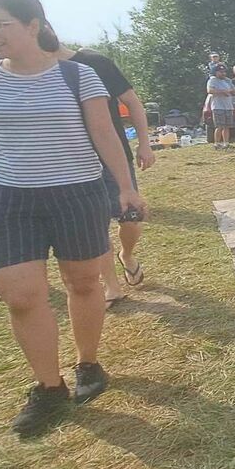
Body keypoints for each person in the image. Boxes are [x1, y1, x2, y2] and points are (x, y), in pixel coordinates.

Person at [0, 0, 147, 437]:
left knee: (83, 283)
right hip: (9, 199)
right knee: (20, 296)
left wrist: (125, 187)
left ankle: (88, 364)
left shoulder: (78, 76)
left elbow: (104, 135)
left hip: (76, 194)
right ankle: (48, 387)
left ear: (32, 25)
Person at [56, 44, 156, 306]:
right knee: (94, 226)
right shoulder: (36, 72)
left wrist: (144, 143)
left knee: (130, 219)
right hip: (73, 163)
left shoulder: (95, 63)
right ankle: (112, 286)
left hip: (113, 157)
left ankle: (127, 255)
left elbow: (132, 102)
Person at [206, 63, 235, 148]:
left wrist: (230, 91)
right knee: (219, 126)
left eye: (224, 71)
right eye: (220, 72)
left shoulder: (228, 81)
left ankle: (226, 143)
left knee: (227, 126)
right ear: (215, 72)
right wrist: (223, 91)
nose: (223, 73)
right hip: (218, 107)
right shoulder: (212, 80)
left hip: (228, 106)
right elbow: (210, 90)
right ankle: (217, 143)